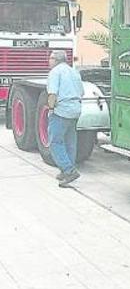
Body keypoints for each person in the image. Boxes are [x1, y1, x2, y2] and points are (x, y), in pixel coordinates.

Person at [46, 50, 84, 187]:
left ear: (56, 60)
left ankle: (69, 170)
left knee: (55, 142)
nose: (48, 61)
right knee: (70, 141)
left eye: (50, 58)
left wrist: (51, 109)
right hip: (75, 109)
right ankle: (66, 169)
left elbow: (52, 94)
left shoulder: (55, 72)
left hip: (61, 111)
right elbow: (82, 92)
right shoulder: (74, 71)